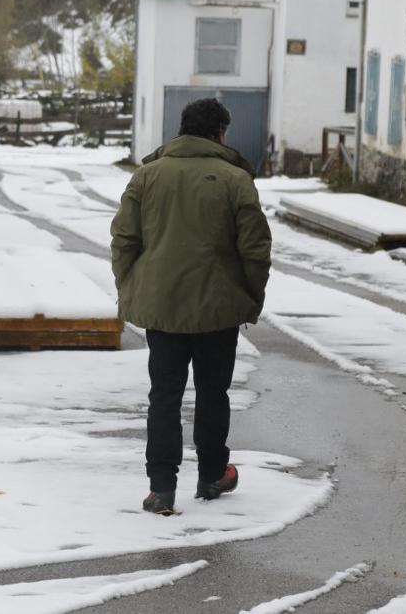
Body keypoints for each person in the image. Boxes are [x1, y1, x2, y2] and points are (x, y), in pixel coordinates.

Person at [111, 97, 272, 516]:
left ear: (182, 131)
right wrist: (250, 297)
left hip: (162, 308)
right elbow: (255, 249)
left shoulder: (147, 176)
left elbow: (125, 239)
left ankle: (161, 487)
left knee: (163, 395)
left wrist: (130, 289)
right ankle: (214, 474)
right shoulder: (235, 180)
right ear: (220, 133)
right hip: (219, 309)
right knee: (212, 393)